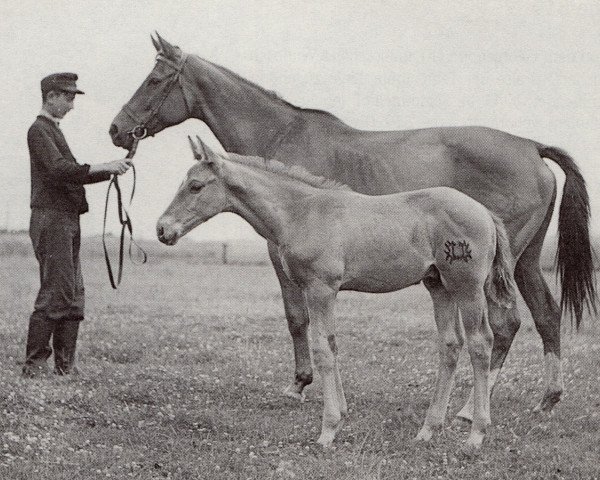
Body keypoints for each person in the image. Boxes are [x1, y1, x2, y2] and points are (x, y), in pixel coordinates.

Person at [23, 72, 132, 377]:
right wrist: (103, 167)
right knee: (57, 292)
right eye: (68, 98)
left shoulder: (52, 130)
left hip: (66, 219)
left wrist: (110, 170)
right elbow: (59, 171)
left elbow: (70, 172)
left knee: (73, 294)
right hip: (51, 218)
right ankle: (33, 366)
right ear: (51, 97)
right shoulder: (38, 130)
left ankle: (65, 368)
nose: (71, 105)